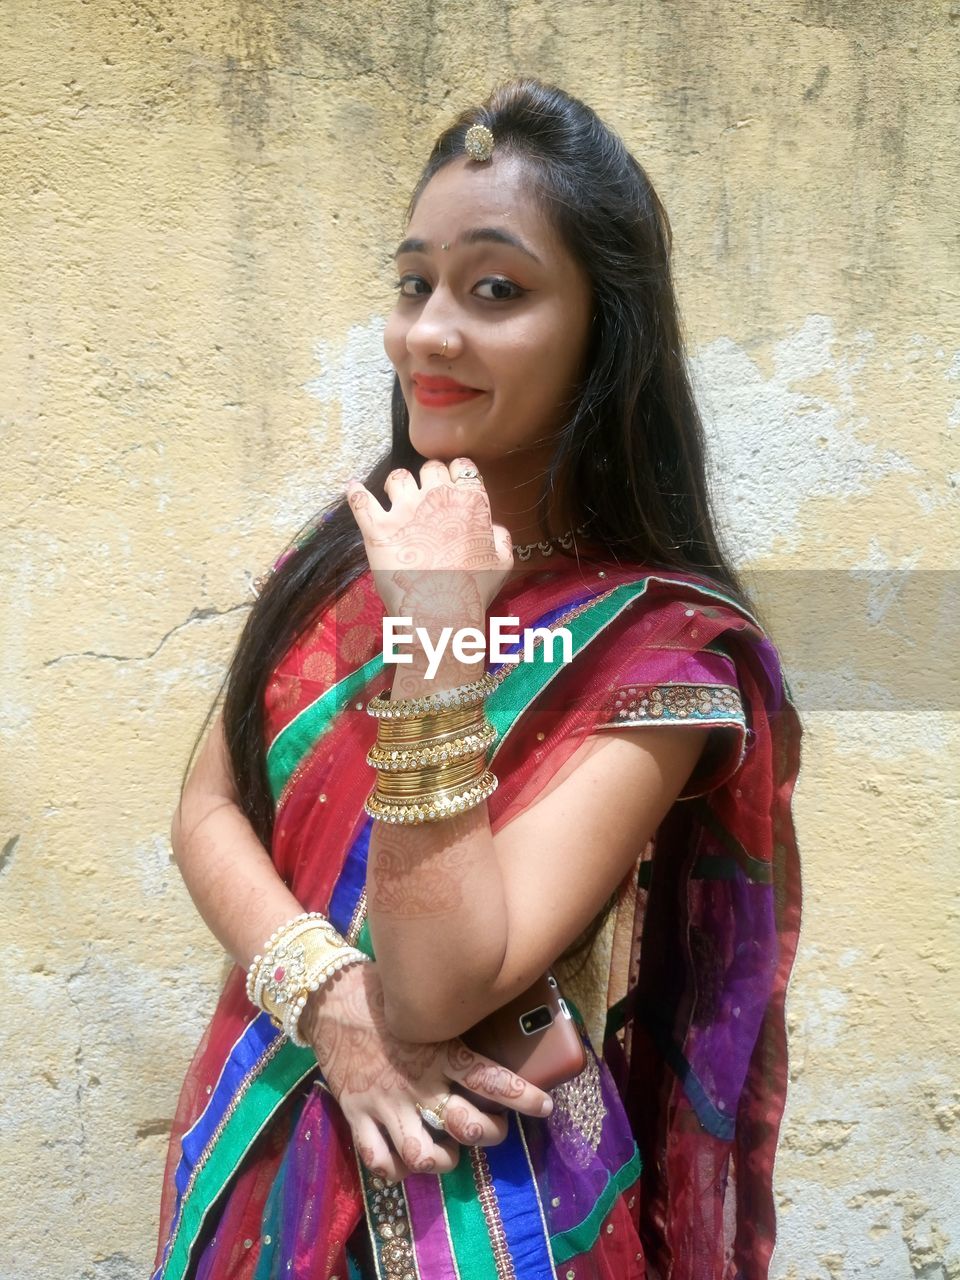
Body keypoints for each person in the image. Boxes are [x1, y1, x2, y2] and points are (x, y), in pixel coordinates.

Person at [152, 77, 802, 1280]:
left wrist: (441, 643)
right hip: (262, 1157)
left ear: (606, 329)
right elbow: (207, 809)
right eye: (415, 284)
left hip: (500, 1214)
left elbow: (442, 986)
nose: (429, 333)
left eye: (495, 290)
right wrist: (328, 1001)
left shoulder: (659, 654)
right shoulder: (340, 556)